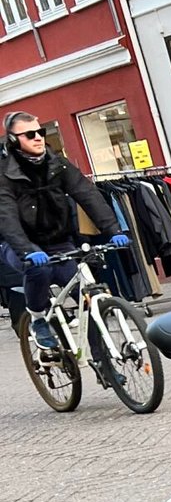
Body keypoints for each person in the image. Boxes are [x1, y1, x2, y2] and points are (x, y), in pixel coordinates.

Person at [0, 112, 128, 352]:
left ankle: (102, 359)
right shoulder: (5, 173)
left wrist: (113, 230)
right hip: (18, 246)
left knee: (87, 295)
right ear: (14, 140)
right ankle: (38, 319)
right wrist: (27, 250)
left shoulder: (57, 163)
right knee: (39, 269)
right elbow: (5, 217)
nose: (38, 137)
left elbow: (87, 194)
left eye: (41, 132)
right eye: (30, 134)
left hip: (58, 242)